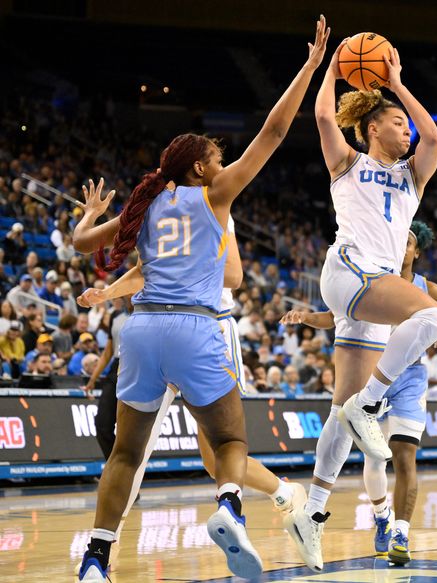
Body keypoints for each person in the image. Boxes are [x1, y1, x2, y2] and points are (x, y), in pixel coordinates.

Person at [71, 18, 330, 582]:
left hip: (138, 332)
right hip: (194, 326)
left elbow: (81, 243)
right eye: (215, 156)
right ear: (199, 167)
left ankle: (95, 561)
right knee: (230, 438)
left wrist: (90, 216)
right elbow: (275, 132)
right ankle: (230, 508)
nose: (221, 162)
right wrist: (309, 68)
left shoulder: (142, 209)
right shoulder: (215, 196)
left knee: (124, 454)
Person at [282, 35, 437, 572]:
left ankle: (313, 512)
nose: (407, 129)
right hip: (352, 274)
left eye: (406, 124)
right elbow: (324, 117)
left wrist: (398, 83)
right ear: (374, 128)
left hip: (375, 302)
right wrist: (327, 66)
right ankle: (371, 404)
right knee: (430, 314)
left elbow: (434, 137)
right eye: (397, 122)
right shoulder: (349, 163)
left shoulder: (411, 178)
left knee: (338, 415)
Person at [282, 220, 437, 567]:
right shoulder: (373, 273)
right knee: (373, 456)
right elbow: (337, 314)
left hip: (409, 377)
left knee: (404, 456)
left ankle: (401, 532)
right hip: (373, 366)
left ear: (417, 250)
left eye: (408, 242)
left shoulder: (429, 288)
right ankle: (380, 515)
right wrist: (306, 316)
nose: (402, 246)